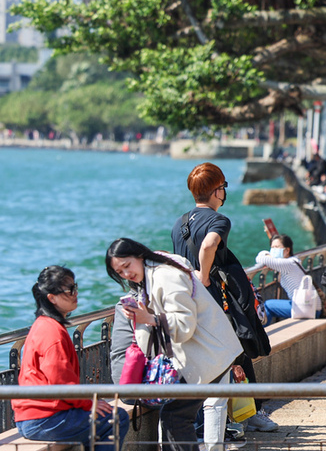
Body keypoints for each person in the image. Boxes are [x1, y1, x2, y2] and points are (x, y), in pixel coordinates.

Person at [107, 238, 242, 451]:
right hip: (204, 355)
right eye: (119, 272)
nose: (126, 274)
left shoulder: (165, 275)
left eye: (127, 266)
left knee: (175, 417)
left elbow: (184, 324)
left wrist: (148, 318)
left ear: (140, 256)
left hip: (207, 355)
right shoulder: (152, 276)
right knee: (174, 416)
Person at [170, 162, 277, 433]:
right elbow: (209, 244)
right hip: (216, 300)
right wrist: (205, 276)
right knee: (236, 351)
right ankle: (249, 414)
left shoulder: (179, 222)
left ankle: (239, 414)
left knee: (208, 356)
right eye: (223, 187)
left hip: (189, 299)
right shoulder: (219, 220)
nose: (224, 192)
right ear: (217, 191)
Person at [12, 266, 130, 451]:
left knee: (104, 415)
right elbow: (60, 383)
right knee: (117, 418)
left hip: (36, 416)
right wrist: (88, 403)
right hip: (44, 419)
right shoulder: (52, 333)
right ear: (52, 298)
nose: (76, 293)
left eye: (75, 287)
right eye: (70, 290)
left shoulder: (43, 324)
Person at [255, 234, 319, 325]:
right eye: (272, 247)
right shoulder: (293, 261)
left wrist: (267, 255)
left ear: (287, 250)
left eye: (276, 247)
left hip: (308, 308)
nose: (273, 250)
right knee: (270, 305)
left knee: (268, 306)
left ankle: (260, 336)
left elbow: (260, 258)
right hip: (310, 306)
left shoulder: (288, 264)